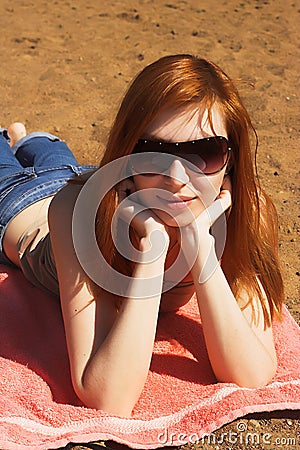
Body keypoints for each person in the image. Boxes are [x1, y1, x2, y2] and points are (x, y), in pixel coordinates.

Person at [0, 54, 284, 417]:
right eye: (155, 151)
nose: (177, 178)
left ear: (232, 158)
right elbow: (107, 397)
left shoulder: (248, 213)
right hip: (24, 206)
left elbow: (252, 374)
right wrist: (154, 251)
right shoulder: (76, 211)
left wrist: (200, 247)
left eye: (204, 152)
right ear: (128, 151)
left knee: (48, 148)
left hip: (97, 179)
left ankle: (32, 139)